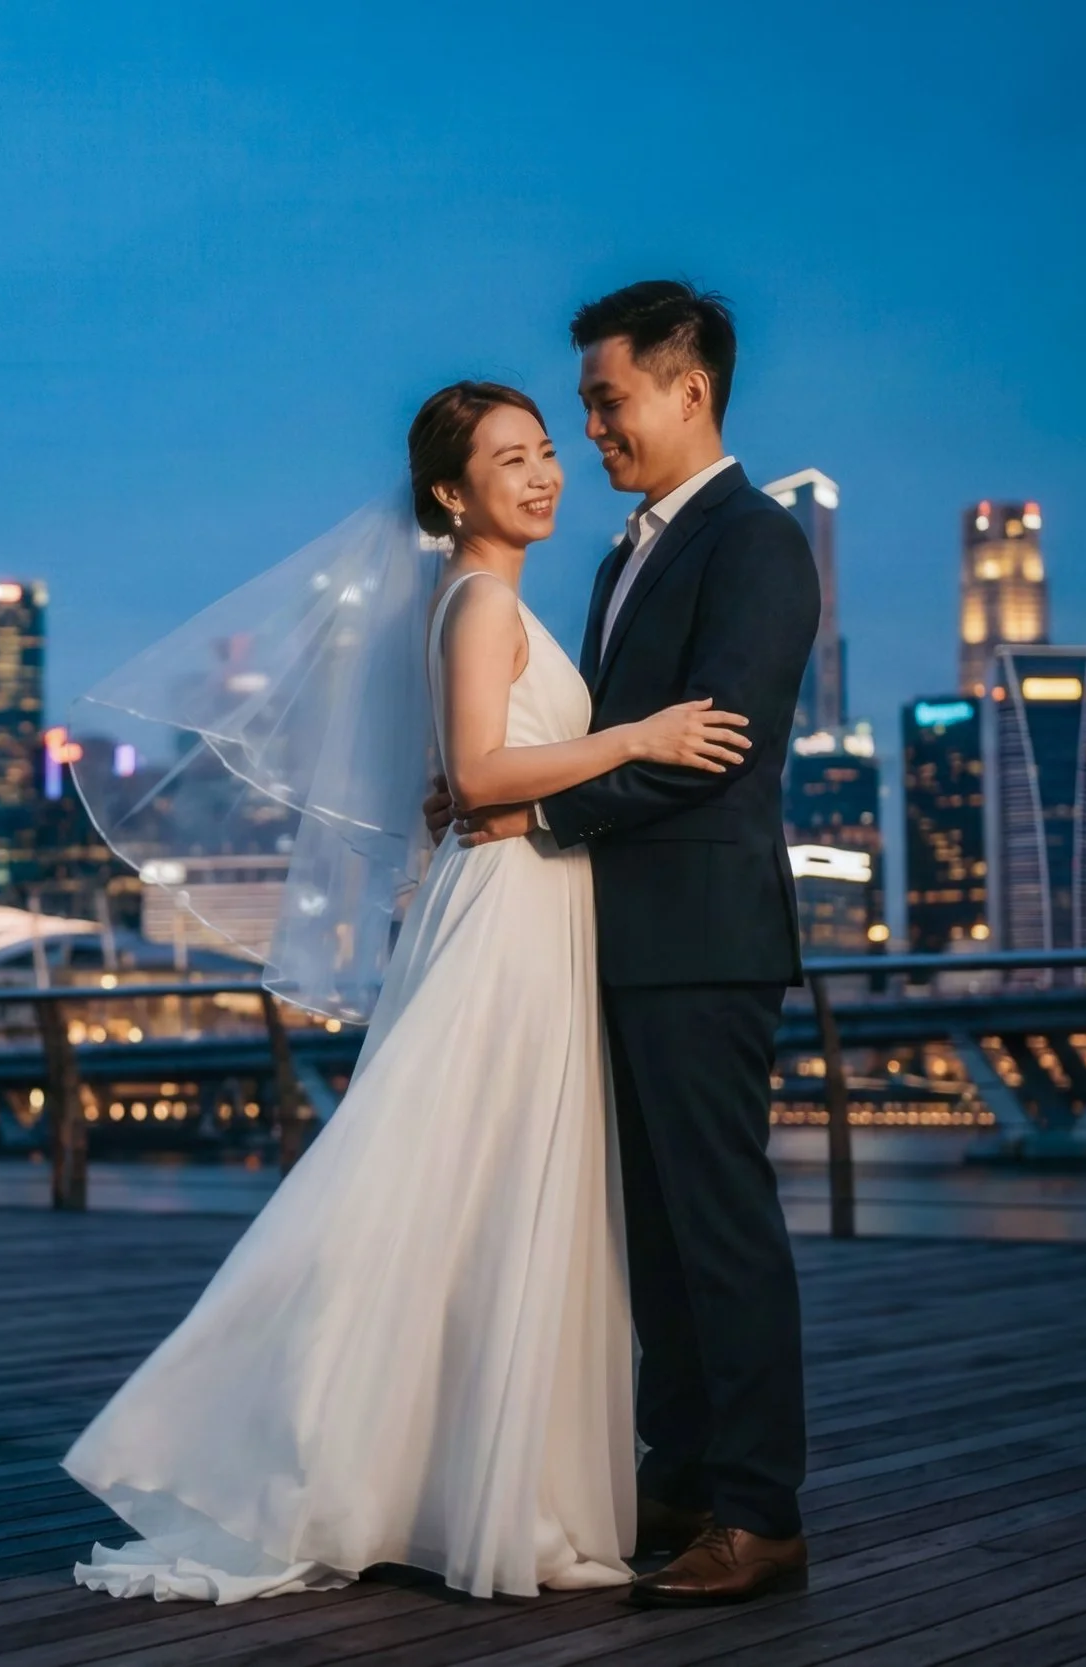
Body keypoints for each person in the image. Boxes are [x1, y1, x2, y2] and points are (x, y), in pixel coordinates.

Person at [60, 378, 753, 1603]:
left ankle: (450, 1477)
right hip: (504, 916)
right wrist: (635, 738)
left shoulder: (492, 601)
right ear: (448, 491)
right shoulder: (480, 599)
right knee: (437, 1176)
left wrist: (500, 778)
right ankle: (338, 1457)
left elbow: (469, 773)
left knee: (480, 1190)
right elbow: (484, 772)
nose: (543, 474)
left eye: (547, 453)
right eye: (510, 459)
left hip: (532, 907)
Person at [433, 280, 821, 1606]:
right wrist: (494, 783)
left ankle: (762, 1515)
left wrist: (537, 811)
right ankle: (682, 1475)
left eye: (606, 399)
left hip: (704, 935)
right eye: (587, 403)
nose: (589, 428)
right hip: (612, 935)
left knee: (721, 1228)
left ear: (687, 387)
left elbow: (719, 747)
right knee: (652, 1237)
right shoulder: (619, 558)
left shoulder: (756, 542)